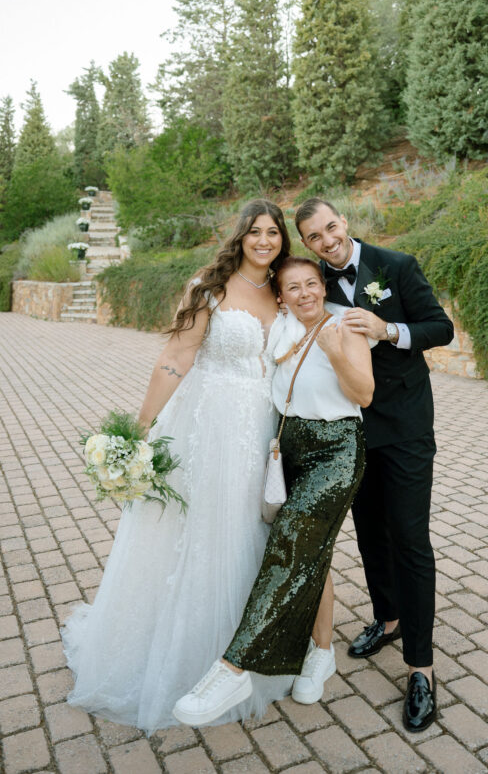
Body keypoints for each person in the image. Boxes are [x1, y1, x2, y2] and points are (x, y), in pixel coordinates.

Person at [62, 199, 295, 733]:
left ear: (282, 239)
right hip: (207, 426)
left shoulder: (284, 290)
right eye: (255, 232)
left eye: (273, 232)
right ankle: (182, 657)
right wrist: (140, 426)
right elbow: (175, 357)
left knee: (248, 530)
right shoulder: (209, 288)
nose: (264, 241)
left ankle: (245, 651)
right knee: (194, 531)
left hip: (261, 429)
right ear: (240, 236)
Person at [172, 256, 375, 726]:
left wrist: (335, 350)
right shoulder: (282, 325)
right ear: (280, 297)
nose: (305, 293)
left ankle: (234, 668)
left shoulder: (345, 325)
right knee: (309, 548)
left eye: (311, 284)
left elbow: (364, 394)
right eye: (293, 287)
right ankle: (320, 651)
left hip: (336, 450)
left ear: (323, 286)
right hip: (288, 447)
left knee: (290, 543)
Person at [294, 197, 454, 733]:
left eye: (331, 228)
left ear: (344, 222)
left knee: (409, 538)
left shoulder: (396, 266)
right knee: (368, 533)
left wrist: (389, 330)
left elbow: (440, 328)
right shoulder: (312, 282)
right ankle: (387, 619)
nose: (327, 242)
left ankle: (420, 669)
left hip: (405, 425)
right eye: (315, 237)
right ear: (307, 244)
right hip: (351, 429)